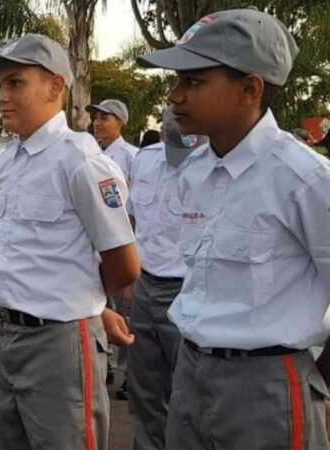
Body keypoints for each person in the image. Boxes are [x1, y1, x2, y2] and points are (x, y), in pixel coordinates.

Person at [137, 8, 330, 449]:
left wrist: (310, 383)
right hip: (190, 372)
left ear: (249, 89)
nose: (174, 96)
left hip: (266, 385)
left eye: (193, 82)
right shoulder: (195, 173)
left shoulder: (303, 179)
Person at [0, 33, 140, 449]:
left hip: (56, 342)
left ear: (56, 86)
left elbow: (124, 262)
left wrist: (86, 303)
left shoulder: (80, 162)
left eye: (16, 83)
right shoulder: (9, 159)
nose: (2, 97)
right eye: (0, 86)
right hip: (6, 334)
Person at [125, 106, 207, 450]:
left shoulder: (211, 167)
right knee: (143, 386)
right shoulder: (145, 160)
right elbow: (130, 221)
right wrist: (130, 281)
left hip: (187, 291)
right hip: (145, 286)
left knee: (189, 393)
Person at [87, 99, 139, 181]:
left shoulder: (132, 156)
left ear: (120, 123)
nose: (96, 123)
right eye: (96, 118)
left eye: (104, 118)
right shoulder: (89, 152)